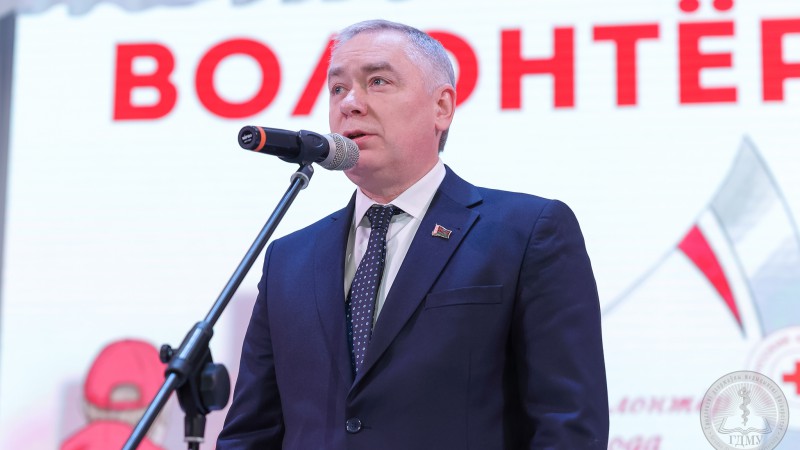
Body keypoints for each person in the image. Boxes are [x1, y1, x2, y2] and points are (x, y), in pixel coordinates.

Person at [217, 19, 609, 449]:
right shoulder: (288, 259)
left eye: (378, 81)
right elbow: (251, 433)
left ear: (442, 107)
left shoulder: (526, 232)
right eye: (337, 88)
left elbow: (569, 426)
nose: (350, 103)